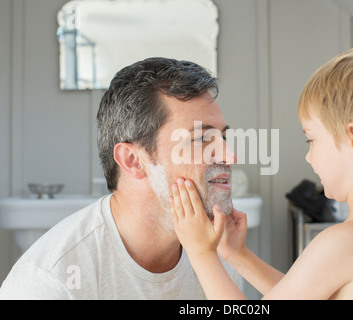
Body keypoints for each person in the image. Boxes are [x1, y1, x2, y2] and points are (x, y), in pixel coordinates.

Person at [170, 43, 353, 299]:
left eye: (311, 139)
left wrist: (201, 253)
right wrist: (237, 255)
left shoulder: (344, 242)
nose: (309, 157)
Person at [0, 57, 241, 299]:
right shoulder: (50, 283)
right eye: (200, 139)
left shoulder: (220, 252)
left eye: (222, 138)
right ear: (132, 160)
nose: (230, 156)